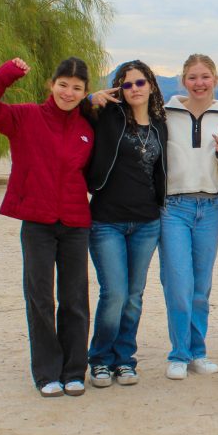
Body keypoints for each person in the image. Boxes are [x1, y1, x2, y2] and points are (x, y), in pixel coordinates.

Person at [0, 57, 94, 398]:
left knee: (75, 300)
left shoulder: (87, 127)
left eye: (77, 88)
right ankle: (46, 373)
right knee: (40, 299)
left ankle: (73, 371)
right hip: (37, 223)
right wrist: (8, 72)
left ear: (85, 93)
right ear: (51, 85)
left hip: (75, 224)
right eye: (63, 85)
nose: (68, 93)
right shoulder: (25, 117)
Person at [84, 60, 168, 388]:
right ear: (119, 89)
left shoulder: (161, 124)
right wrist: (90, 99)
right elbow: (67, 109)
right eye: (127, 84)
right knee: (114, 293)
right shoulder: (106, 117)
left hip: (147, 221)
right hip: (107, 221)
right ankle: (100, 359)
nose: (134, 89)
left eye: (140, 83)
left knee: (134, 295)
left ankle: (124, 360)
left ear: (151, 85)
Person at [160, 53, 218, 380]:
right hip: (173, 208)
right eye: (192, 77)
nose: (199, 83)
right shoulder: (163, 115)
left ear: (215, 79)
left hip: (209, 208)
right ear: (183, 80)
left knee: (201, 287)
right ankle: (179, 353)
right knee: (178, 283)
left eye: (205, 76)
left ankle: (198, 351)